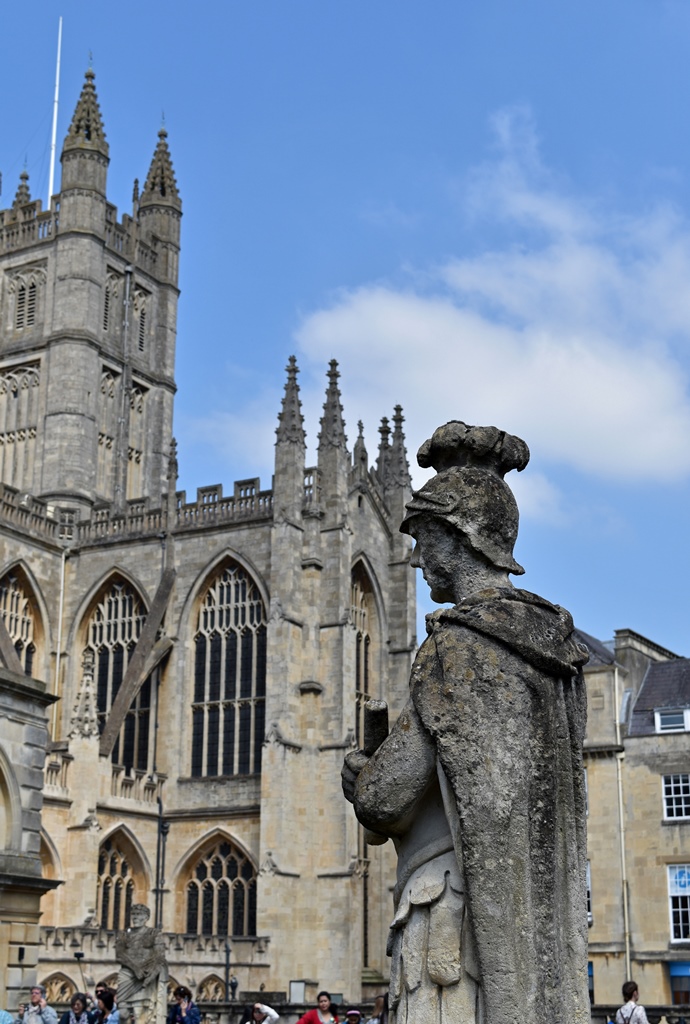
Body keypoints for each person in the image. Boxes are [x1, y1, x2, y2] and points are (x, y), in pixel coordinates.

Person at [343, 421, 590, 1024]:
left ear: (460, 538)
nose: (420, 558)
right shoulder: (558, 654)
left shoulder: (454, 650)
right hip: (535, 923)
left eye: (427, 539)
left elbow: (385, 799)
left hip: (451, 903)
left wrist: (359, 773)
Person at [115, 903, 168, 1024]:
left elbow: (160, 956)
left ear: (146, 917)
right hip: (127, 975)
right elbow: (119, 955)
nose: (135, 917)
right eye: (133, 914)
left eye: (139, 914)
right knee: (123, 1014)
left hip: (145, 976)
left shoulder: (155, 933)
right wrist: (135, 969)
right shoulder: (124, 934)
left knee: (141, 1016)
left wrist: (150, 976)